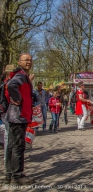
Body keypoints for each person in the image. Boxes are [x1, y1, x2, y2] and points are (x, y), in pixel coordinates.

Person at [4, 53, 35, 185]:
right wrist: (17, 99)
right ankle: (17, 177)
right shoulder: (21, 75)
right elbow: (11, 85)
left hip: (15, 116)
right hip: (18, 116)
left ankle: (9, 175)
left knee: (11, 146)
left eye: (30, 60)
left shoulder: (22, 75)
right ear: (19, 62)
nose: (29, 62)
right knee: (18, 146)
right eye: (25, 60)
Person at [1, 64, 15, 165]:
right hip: (9, 111)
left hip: (4, 111)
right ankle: (8, 158)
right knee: (9, 135)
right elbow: (11, 98)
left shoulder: (4, 83)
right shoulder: (9, 84)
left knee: (7, 134)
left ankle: (7, 157)